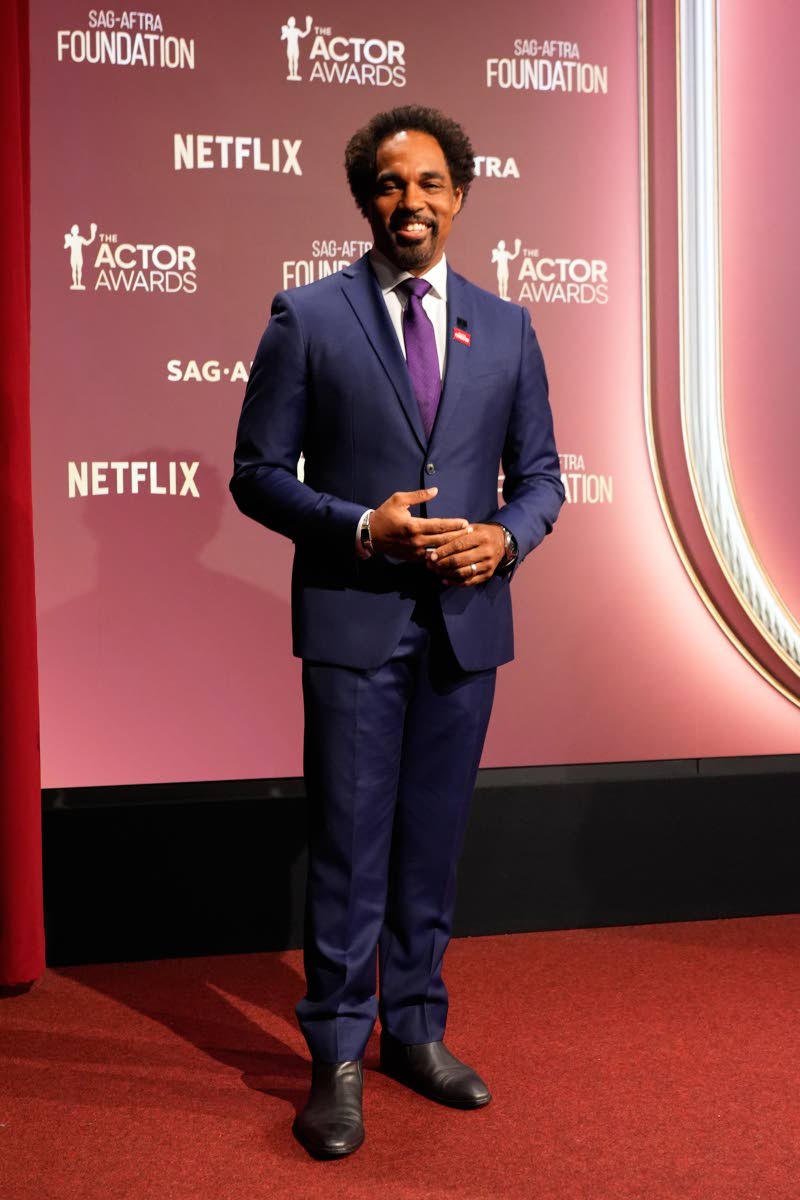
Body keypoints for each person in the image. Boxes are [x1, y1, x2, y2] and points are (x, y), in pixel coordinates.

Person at [231, 105, 564, 1159]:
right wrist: (359, 528)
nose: (407, 201)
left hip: (465, 630)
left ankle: (415, 1032)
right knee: (347, 848)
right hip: (353, 621)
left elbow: (543, 480)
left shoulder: (506, 326)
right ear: (363, 199)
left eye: (426, 183)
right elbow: (253, 476)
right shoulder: (306, 316)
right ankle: (334, 1055)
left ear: (459, 194)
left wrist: (504, 542)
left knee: (429, 847)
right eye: (387, 183)